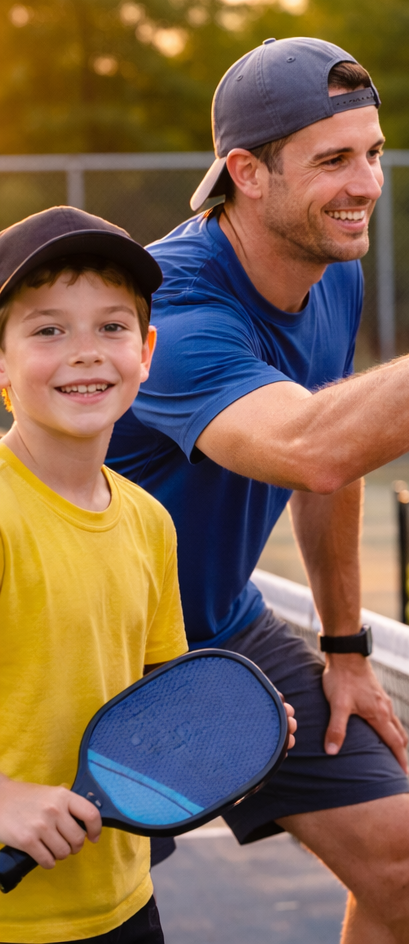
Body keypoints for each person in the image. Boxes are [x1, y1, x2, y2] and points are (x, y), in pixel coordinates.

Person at [105, 36, 409, 943]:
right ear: (245, 173)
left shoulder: (336, 272)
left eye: (372, 153)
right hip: (100, 658)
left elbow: (338, 461)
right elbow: (313, 446)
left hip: (219, 623)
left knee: (408, 860)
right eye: (332, 160)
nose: (365, 184)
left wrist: (345, 647)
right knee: (97, 915)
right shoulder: (164, 309)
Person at [0, 208, 189, 943]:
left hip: (123, 906)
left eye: (111, 328)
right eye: (48, 330)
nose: (86, 353)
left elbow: (158, 702)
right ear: (2, 362)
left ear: (144, 351)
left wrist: (227, 733)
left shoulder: (149, 522)